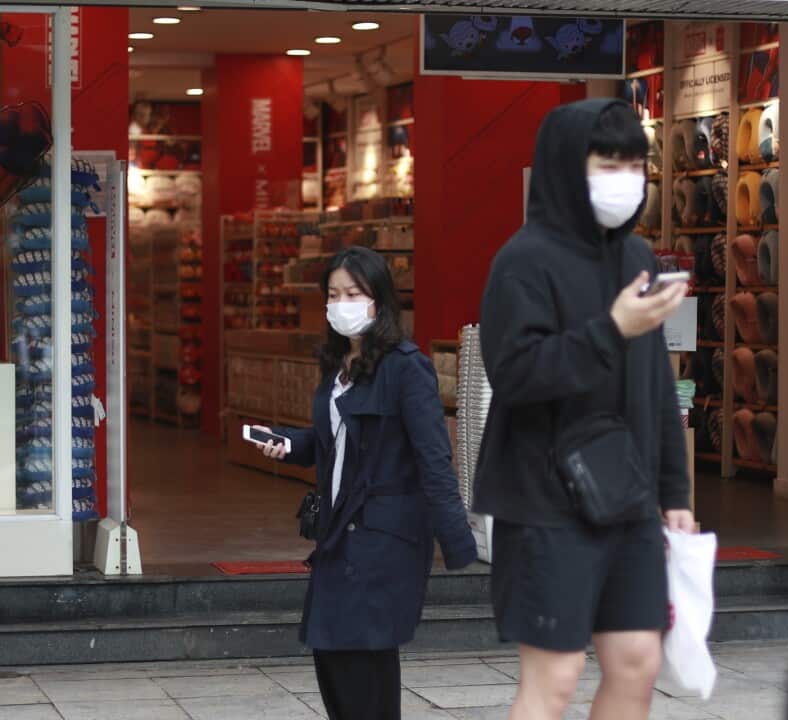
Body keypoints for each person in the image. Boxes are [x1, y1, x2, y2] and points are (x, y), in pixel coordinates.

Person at [475, 98, 695, 720]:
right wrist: (611, 329)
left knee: (638, 662)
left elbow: (656, 381)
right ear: (568, 167)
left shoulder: (638, 258)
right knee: (556, 677)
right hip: (544, 501)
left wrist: (674, 491)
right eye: (608, 164)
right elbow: (515, 374)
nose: (626, 180)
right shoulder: (522, 261)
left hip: (628, 495)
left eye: (635, 166)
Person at [257, 246, 477, 720]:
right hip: (340, 534)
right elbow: (332, 441)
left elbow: (434, 459)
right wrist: (289, 443)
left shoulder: (406, 367)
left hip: (384, 541)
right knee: (333, 657)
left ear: (379, 300)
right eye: (334, 294)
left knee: (359, 662)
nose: (342, 304)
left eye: (353, 293)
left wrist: (459, 544)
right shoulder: (337, 365)